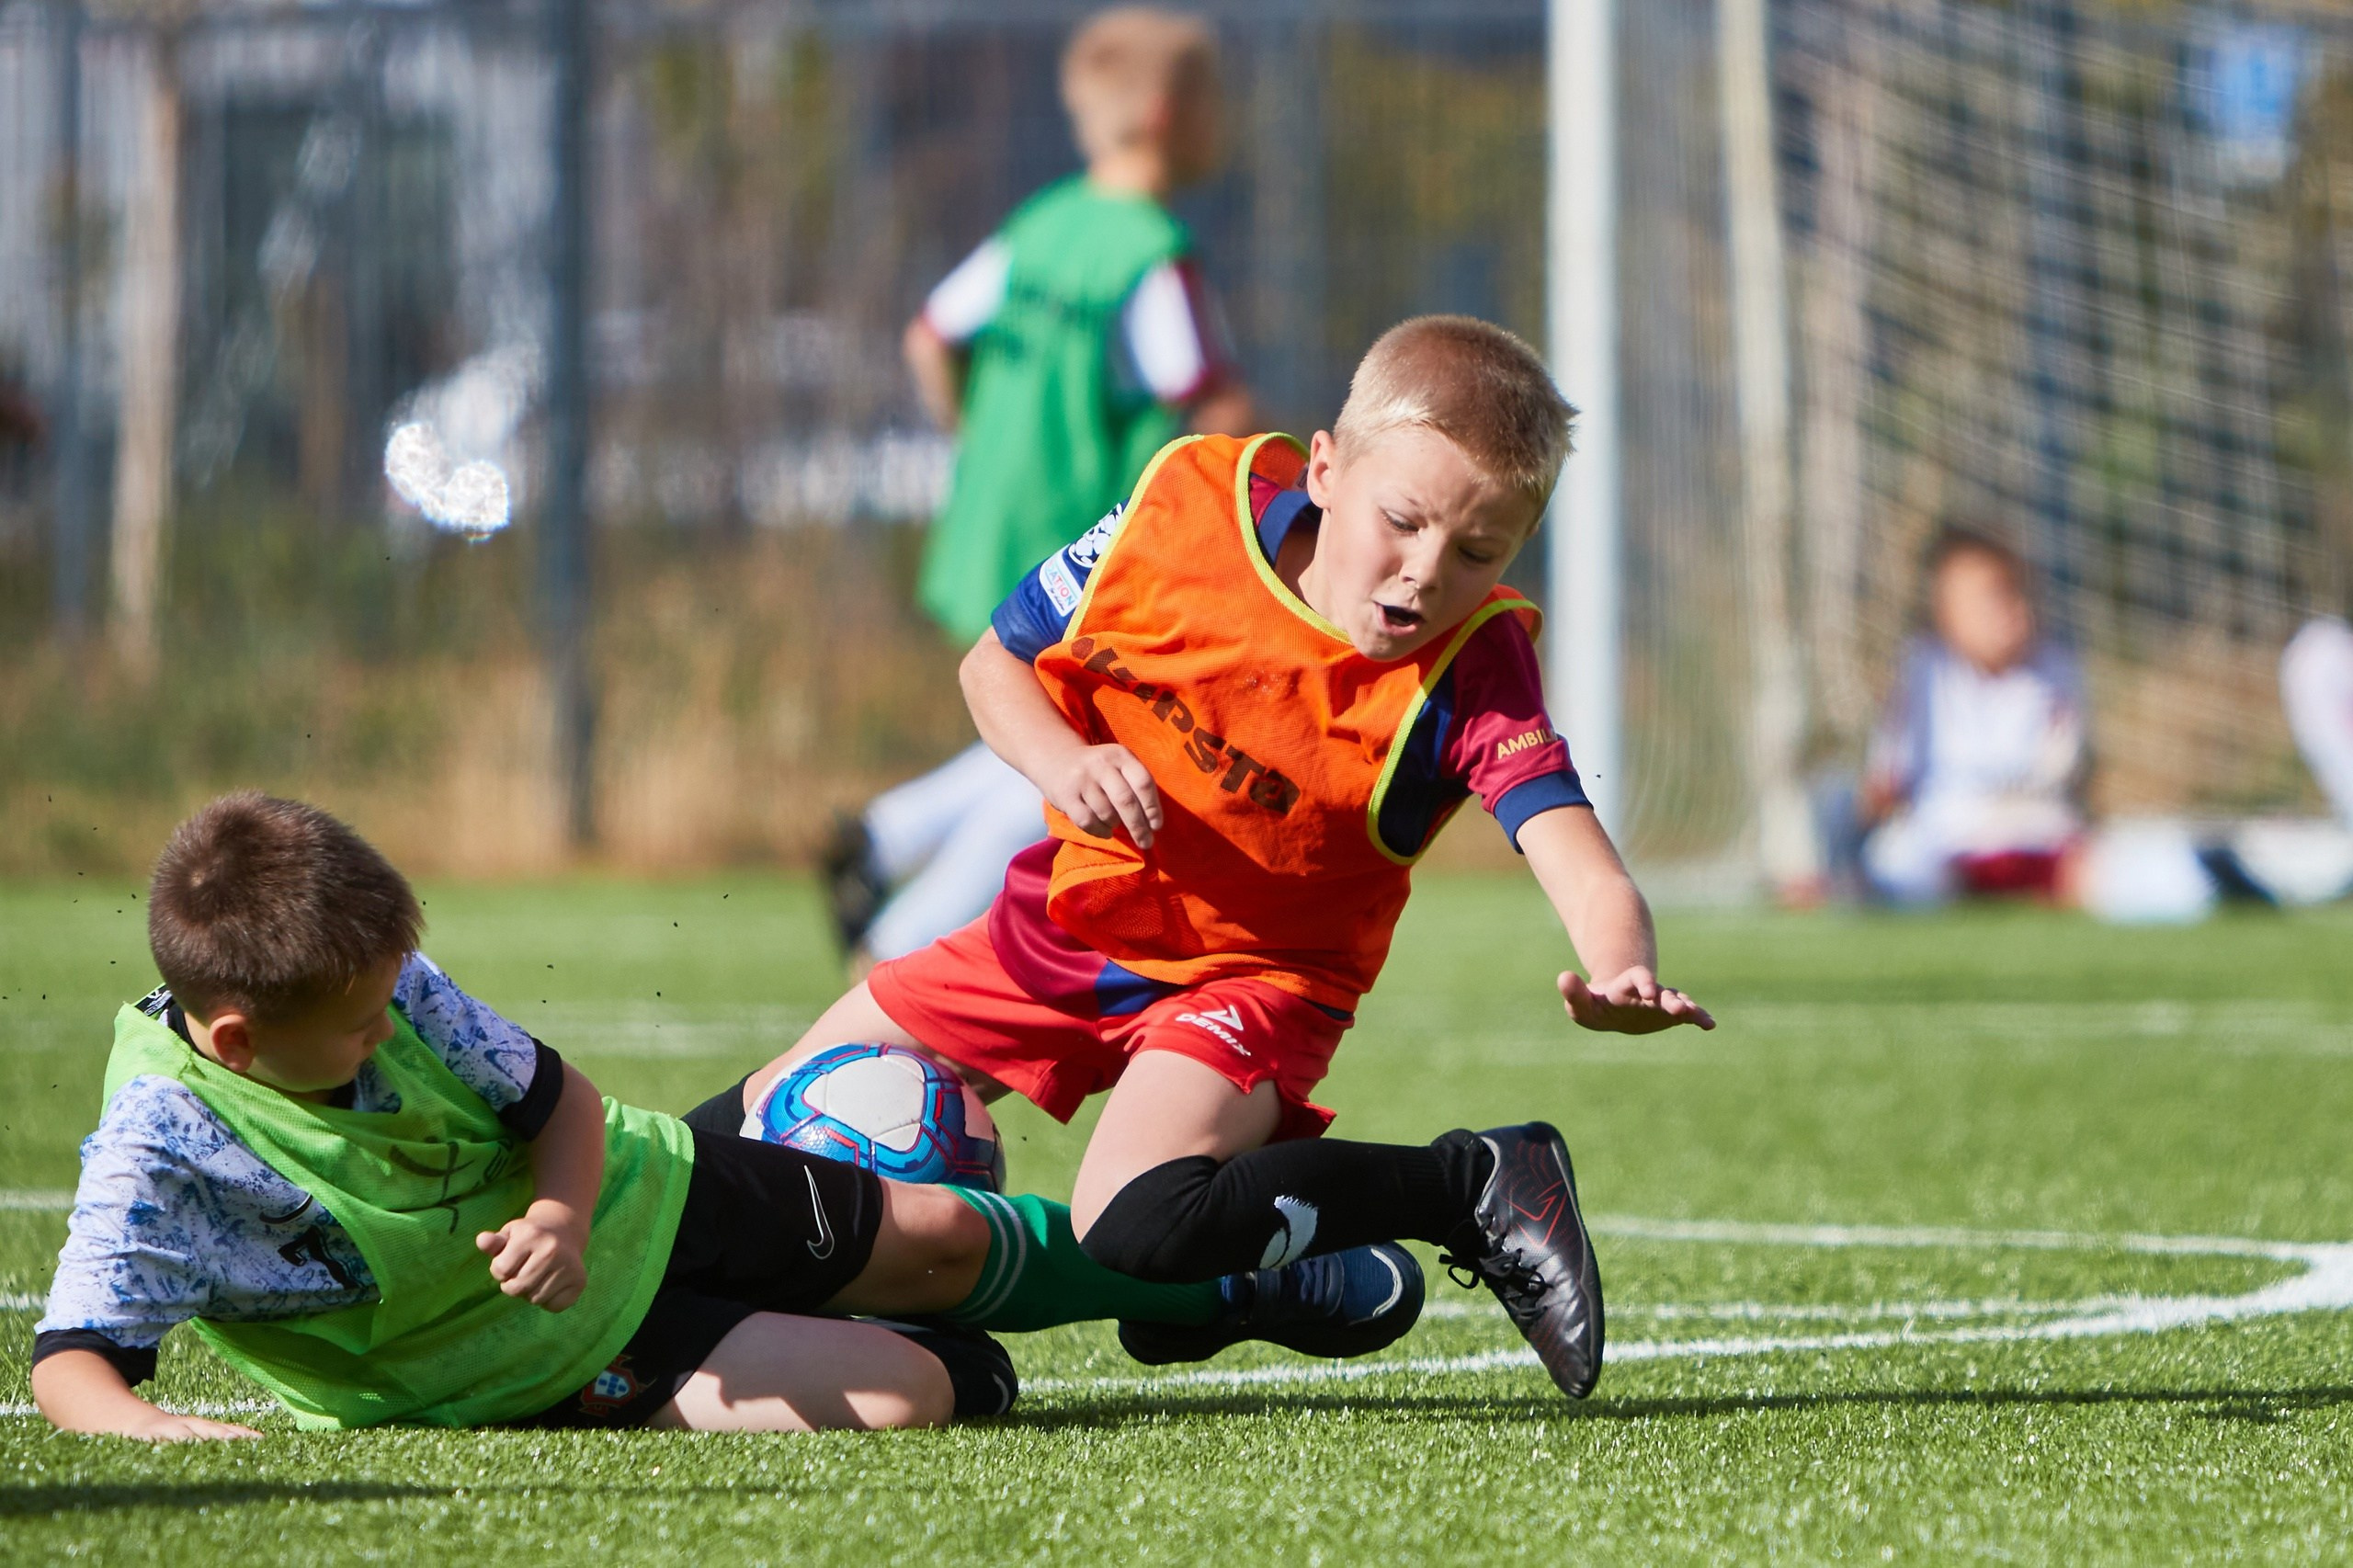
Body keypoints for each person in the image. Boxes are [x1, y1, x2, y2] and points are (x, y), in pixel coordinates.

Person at [730, 316, 1715, 1401]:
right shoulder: (1185, 505)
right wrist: (1062, 761)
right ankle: (1242, 1284)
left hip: (1255, 977)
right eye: (1401, 521)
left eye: (1477, 553)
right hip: (1067, 923)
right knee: (745, 1134)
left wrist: (1621, 964)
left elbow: (1574, 852)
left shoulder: (1475, 666)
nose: (1427, 572)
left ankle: (1469, 1184)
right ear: (1326, 469)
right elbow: (995, 665)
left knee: (1133, 1222)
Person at [30, 794, 1422, 1442]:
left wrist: (568, 1212)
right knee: (918, 1393)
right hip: (527, 1373)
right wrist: (146, 1432)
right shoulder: (159, 1147)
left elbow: (560, 1100)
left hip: (637, 1196)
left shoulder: (389, 981)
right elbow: (74, 1358)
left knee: (938, 1228)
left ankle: (1216, 1272)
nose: (397, 1021)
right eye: (363, 1020)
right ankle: (879, 1300)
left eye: (400, 985)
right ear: (236, 1039)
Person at [826, 6, 1254, 972]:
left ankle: (885, 836)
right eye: (1216, 100)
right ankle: (902, 936)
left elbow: (929, 335)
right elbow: (1214, 401)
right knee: (1072, 750)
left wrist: (976, 441)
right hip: (1089, 547)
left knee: (1035, 720)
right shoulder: (1151, 251)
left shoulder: (1043, 222)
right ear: (1165, 110)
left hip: (992, 522)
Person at [1851, 527, 2090, 905]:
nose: (2008, 611)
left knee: (2106, 870)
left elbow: (2071, 778)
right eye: (1986, 600)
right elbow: (1885, 783)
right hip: (1947, 843)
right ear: (1945, 612)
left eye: (2013, 593)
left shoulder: (2057, 670)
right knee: (1896, 862)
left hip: (2036, 837)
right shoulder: (1923, 672)